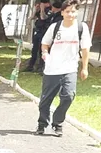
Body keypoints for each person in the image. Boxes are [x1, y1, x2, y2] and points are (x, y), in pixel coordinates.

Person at [34, 0, 90, 137]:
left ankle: (57, 122)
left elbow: (85, 49)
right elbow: (45, 43)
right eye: (67, 11)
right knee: (46, 99)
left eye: (73, 11)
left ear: (77, 12)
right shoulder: (55, 26)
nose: (70, 14)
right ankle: (42, 124)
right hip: (52, 69)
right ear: (62, 12)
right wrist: (45, 53)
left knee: (68, 97)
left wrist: (84, 68)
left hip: (70, 69)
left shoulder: (81, 28)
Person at [24, 0, 54, 72]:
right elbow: (32, 18)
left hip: (44, 31)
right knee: (34, 50)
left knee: (42, 50)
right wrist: (36, 10)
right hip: (37, 31)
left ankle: (41, 67)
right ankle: (31, 66)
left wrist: (42, 9)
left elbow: (43, 17)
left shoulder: (49, 10)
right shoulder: (40, 10)